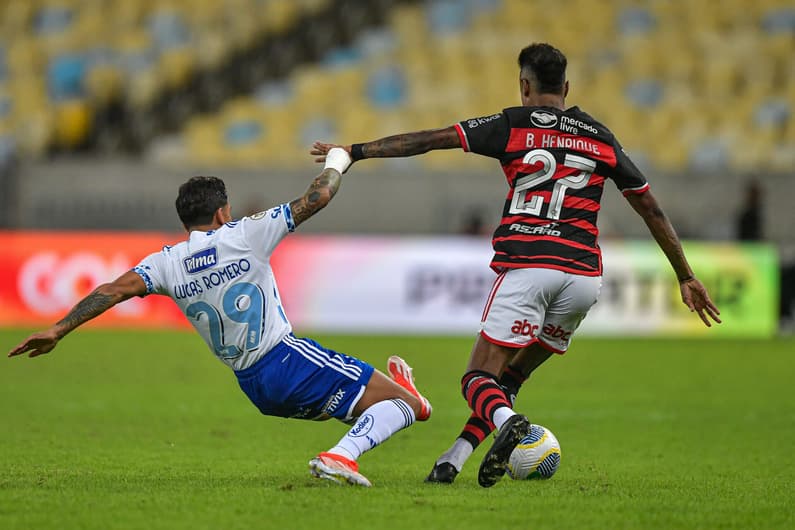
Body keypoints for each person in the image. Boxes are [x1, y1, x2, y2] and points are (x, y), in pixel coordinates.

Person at [311, 43, 721, 487]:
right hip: (585, 277)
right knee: (508, 379)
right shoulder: (600, 136)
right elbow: (651, 209)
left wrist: (356, 150)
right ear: (566, 87)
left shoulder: (513, 124)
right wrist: (686, 275)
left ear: (524, 85)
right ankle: (453, 460)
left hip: (530, 266)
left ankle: (510, 426)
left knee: (476, 379)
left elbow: (432, 140)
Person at [7, 148, 431, 488]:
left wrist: (58, 329)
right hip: (285, 358)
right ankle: (340, 456)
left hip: (254, 387)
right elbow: (317, 197)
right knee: (409, 406)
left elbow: (110, 292)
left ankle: (395, 401)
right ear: (223, 212)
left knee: (394, 406)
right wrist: (341, 159)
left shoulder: (166, 263)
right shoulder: (244, 235)